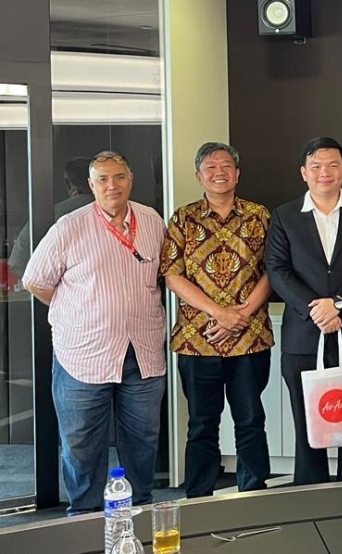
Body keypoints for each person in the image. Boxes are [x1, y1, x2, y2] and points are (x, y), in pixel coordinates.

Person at [21, 150, 166, 515]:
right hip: (83, 355)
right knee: (82, 444)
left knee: (143, 442)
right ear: (90, 185)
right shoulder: (68, 226)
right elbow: (35, 281)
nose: (111, 185)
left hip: (143, 352)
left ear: (130, 180)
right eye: (102, 179)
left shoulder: (151, 221)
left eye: (118, 177)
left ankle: (140, 516)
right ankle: (84, 521)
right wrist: (77, 310)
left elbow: (165, 277)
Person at [265, 136, 342, 485]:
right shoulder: (286, 216)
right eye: (316, 166)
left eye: (333, 165)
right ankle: (309, 493)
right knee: (307, 420)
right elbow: (277, 268)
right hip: (304, 333)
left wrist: (339, 303)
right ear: (304, 173)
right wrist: (314, 308)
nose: (325, 172)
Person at [160, 142, 274, 497]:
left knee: (251, 420)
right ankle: (198, 496)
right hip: (197, 340)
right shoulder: (183, 218)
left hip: (250, 336)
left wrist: (241, 313)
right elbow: (171, 274)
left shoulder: (260, 216)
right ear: (199, 176)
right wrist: (220, 313)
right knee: (201, 424)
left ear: (237, 174)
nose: (219, 172)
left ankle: (253, 493)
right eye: (210, 167)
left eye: (226, 165)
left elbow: (274, 270)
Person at [9, 157, 95, 278]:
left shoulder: (51, 214)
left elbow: (18, 262)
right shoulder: (122, 211)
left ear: (67, 182)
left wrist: (53, 290)